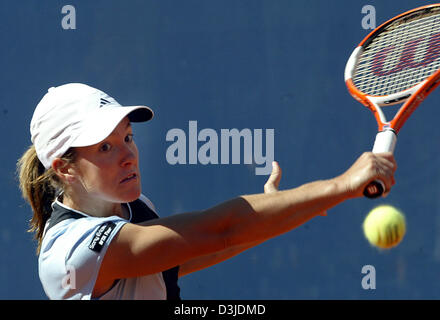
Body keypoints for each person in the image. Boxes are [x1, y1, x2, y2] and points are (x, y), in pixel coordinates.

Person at [17, 83, 397, 300]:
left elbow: (195, 252)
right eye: (104, 147)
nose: (129, 156)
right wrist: (340, 184)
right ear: (64, 168)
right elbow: (218, 229)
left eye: (127, 138)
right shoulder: (74, 252)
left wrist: (292, 207)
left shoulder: (130, 208)